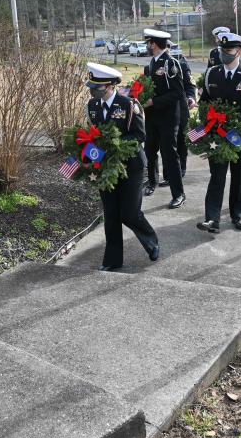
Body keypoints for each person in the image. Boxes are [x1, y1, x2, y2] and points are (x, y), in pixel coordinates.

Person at [84, 62, 160, 271]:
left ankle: (151, 242)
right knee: (111, 215)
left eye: (97, 88)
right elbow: (91, 134)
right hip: (106, 167)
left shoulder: (128, 105)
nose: (93, 91)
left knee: (129, 212)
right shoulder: (92, 106)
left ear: (109, 86)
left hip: (131, 166)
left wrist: (115, 145)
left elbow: (140, 135)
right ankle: (112, 261)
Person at [197, 33, 241, 233]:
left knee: (239, 176)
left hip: (240, 135)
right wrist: (206, 123)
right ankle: (212, 219)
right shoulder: (212, 74)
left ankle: (238, 215)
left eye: (228, 51)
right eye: (221, 50)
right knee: (217, 176)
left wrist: (237, 123)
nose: (223, 54)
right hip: (217, 136)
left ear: (239, 52)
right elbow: (204, 105)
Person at [141, 28, 187, 209]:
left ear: (154, 43)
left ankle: (179, 194)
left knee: (170, 155)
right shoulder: (150, 64)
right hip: (152, 117)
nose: (147, 46)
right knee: (150, 152)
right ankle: (152, 182)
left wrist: (154, 101)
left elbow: (177, 92)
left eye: (148, 42)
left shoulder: (171, 64)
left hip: (168, 117)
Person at [160, 45, 196, 186]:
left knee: (181, 139)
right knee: (166, 143)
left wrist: (191, 97)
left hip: (181, 108)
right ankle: (167, 174)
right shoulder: (154, 66)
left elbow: (190, 84)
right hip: (163, 111)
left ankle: (182, 167)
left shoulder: (181, 65)